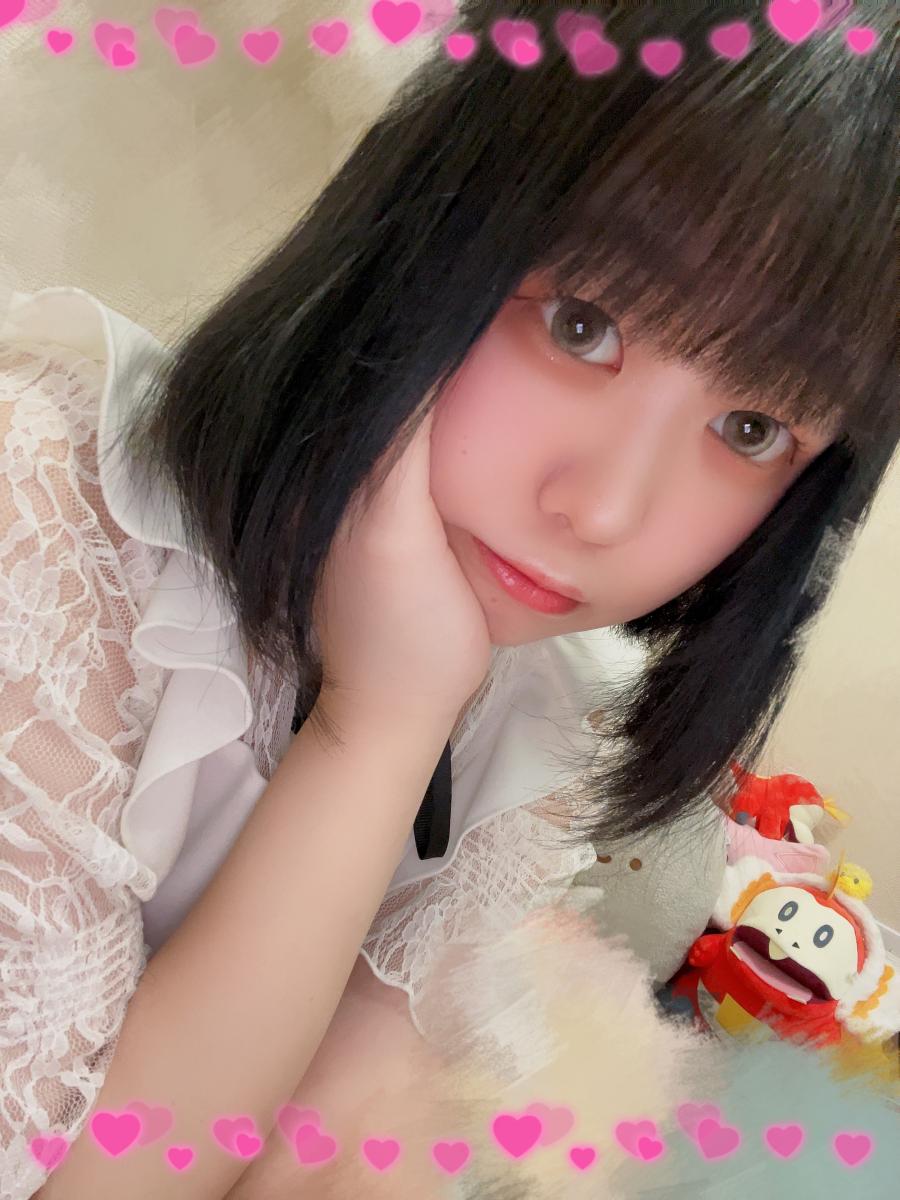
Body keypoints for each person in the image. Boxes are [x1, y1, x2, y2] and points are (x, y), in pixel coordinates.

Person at [1, 2, 896, 1196]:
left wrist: (404, 713)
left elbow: (327, 1149)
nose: (606, 510)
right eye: (582, 324)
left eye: (751, 427)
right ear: (423, 227)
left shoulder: (528, 703)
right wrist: (376, 729)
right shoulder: (49, 529)